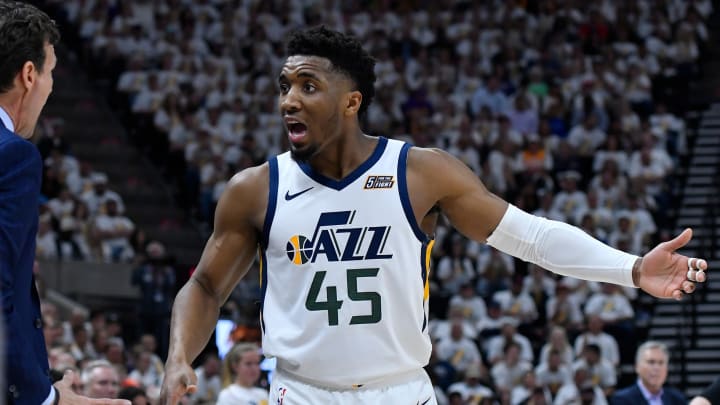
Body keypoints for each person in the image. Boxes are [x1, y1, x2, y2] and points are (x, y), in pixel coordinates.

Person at [160, 26, 708, 404]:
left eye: (308, 86)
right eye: (284, 87)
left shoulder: (419, 172)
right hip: (299, 389)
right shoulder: (256, 188)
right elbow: (206, 286)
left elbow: (533, 238)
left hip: (401, 389)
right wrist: (179, 355)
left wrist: (631, 269)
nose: (288, 100)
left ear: (352, 101)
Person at [0, 2, 128, 404]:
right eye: (51, 71)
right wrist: (45, 399)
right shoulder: (12, 156)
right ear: (28, 74)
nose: (51, 85)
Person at [609, 340, 685, 405]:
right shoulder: (622, 399)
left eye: (661, 363)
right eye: (651, 362)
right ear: (637, 367)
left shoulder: (677, 399)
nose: (656, 368)